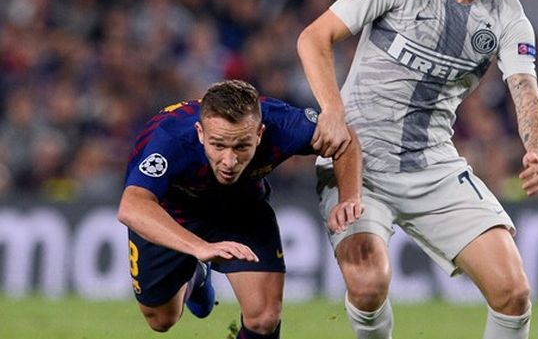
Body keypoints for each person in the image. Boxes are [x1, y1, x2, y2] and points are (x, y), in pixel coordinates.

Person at [297, 0, 538, 339]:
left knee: (513, 293)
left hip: (431, 164)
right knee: (369, 284)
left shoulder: (508, 19)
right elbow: (314, 38)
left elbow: (527, 95)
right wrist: (332, 110)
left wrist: (536, 151)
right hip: (358, 160)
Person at [117, 79, 363, 338]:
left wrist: (348, 197)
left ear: (259, 133)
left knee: (264, 318)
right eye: (219, 145)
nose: (230, 161)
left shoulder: (283, 124)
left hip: (240, 210)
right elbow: (132, 206)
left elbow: (344, 138)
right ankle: (196, 276)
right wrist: (200, 248)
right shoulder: (169, 137)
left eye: (242, 146)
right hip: (171, 217)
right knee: (161, 320)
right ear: (200, 133)